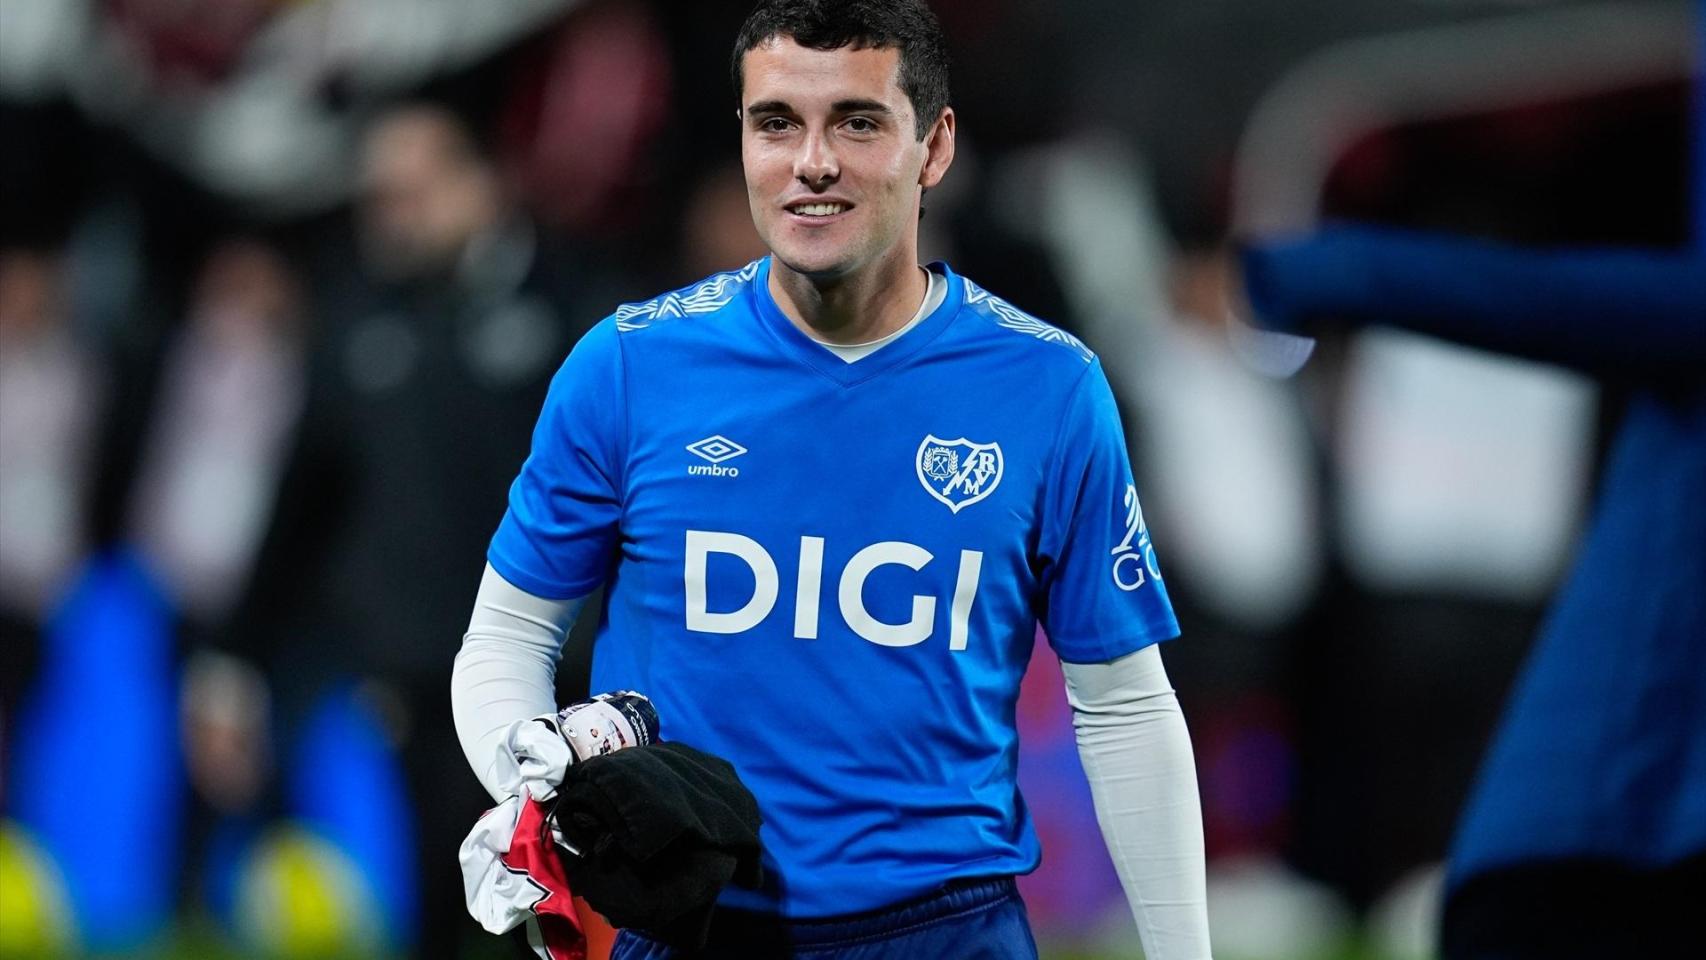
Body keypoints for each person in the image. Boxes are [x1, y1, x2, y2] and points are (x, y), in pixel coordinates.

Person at [451, 2, 1214, 958]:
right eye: (777, 122)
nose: (813, 162)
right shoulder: (628, 366)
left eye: (857, 122)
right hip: (691, 929)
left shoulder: (1049, 389)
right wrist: (540, 784)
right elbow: (508, 637)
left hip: (946, 932)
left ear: (933, 147)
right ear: (741, 140)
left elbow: (1125, 703)